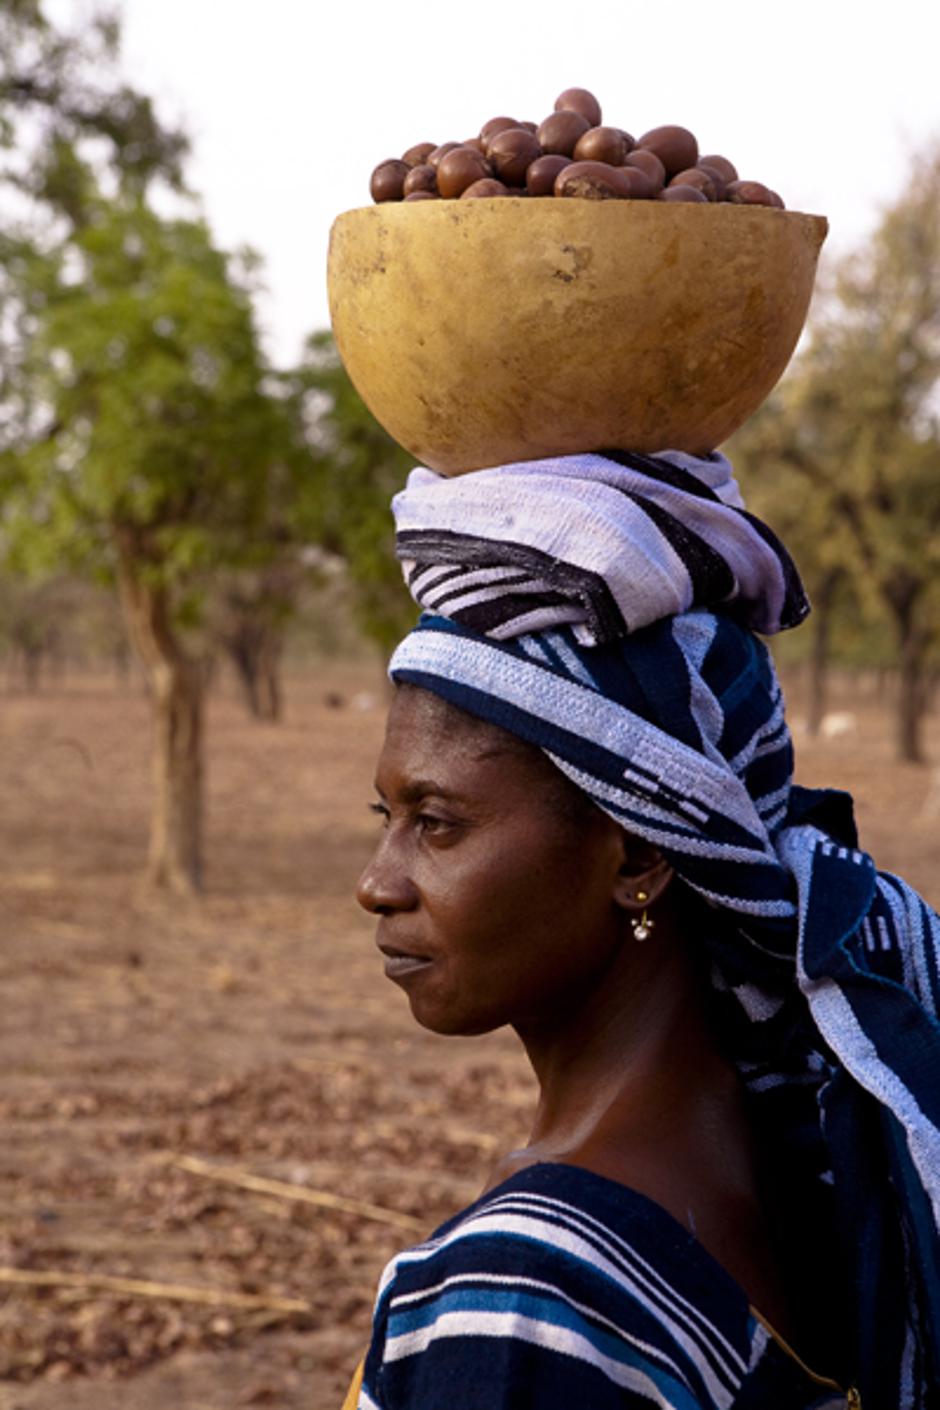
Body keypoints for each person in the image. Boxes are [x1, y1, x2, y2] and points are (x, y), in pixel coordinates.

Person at [347, 448, 940, 1409]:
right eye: (388, 820)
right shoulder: (819, 1163)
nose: (378, 885)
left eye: (438, 824)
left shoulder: (531, 1296)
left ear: (636, 858)